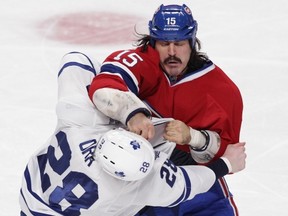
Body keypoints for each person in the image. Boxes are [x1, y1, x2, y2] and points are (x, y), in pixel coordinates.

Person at [19, 52, 246, 216]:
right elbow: (188, 184)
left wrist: (125, 108)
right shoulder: (136, 186)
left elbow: (75, 59)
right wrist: (225, 164)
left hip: (33, 198)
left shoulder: (81, 122)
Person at [88, 4, 244, 215]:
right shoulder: (140, 63)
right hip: (140, 181)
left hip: (198, 185)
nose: (172, 52)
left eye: (179, 43)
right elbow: (105, 86)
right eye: (164, 43)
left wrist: (193, 137)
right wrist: (133, 113)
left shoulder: (222, 91)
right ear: (153, 43)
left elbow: (228, 154)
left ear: (191, 42)